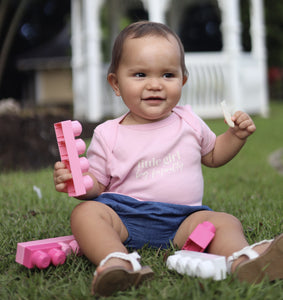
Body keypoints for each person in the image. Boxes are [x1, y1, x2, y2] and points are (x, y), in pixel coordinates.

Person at [53, 21, 283, 297]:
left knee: (224, 221)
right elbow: (98, 185)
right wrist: (77, 181)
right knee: (86, 214)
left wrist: (235, 135)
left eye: (167, 75)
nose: (154, 85)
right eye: (140, 74)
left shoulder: (189, 121)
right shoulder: (108, 133)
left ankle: (243, 260)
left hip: (183, 220)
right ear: (115, 83)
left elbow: (212, 155)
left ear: (182, 80)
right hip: (125, 216)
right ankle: (117, 260)